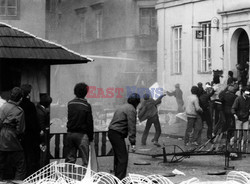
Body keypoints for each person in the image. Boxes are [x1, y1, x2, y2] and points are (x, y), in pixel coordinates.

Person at [108, 93, 140, 180]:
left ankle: (116, 177)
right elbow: (131, 126)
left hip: (112, 132)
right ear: (137, 102)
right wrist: (133, 142)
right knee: (123, 158)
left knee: (118, 157)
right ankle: (120, 179)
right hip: (117, 133)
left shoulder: (122, 106)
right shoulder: (131, 109)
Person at [65, 82, 94, 167]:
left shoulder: (70, 104)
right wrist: (91, 137)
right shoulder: (86, 105)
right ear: (85, 93)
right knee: (85, 161)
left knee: (70, 160)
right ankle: (85, 178)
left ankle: (68, 179)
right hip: (82, 135)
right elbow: (89, 123)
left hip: (70, 134)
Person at [0, 87, 26, 181]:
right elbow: (20, 130)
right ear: (20, 99)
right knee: (20, 165)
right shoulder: (19, 110)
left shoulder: (3, 106)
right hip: (12, 138)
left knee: (2, 165)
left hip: (1, 138)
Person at [19, 84, 40, 176]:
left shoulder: (19, 104)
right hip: (30, 134)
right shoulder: (30, 105)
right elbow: (34, 121)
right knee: (30, 155)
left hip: (20, 133)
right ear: (29, 93)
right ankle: (30, 174)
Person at [231, 87, 250, 153]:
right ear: (243, 92)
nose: (248, 94)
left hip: (246, 119)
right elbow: (233, 108)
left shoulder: (249, 99)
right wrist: (235, 115)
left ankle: (243, 150)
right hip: (239, 119)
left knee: (245, 136)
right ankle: (236, 148)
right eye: (247, 93)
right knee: (238, 135)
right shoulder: (238, 99)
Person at [36, 93, 52, 167]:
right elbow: (41, 127)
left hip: (38, 135)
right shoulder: (42, 113)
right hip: (42, 136)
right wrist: (46, 128)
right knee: (43, 155)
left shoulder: (38, 109)